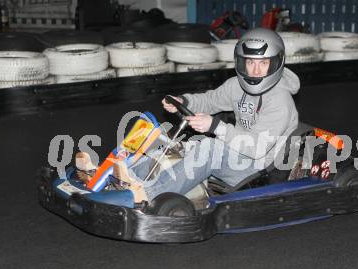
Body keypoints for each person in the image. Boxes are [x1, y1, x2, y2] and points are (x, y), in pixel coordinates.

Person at [75, 27, 300, 207]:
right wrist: (185, 102)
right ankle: (115, 175)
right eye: (250, 62)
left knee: (210, 150)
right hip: (238, 155)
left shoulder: (280, 100)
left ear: (276, 63)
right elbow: (210, 100)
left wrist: (215, 126)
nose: (256, 71)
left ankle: (146, 194)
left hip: (260, 169)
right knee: (176, 143)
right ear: (241, 62)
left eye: (263, 63)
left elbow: (256, 148)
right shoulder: (235, 86)